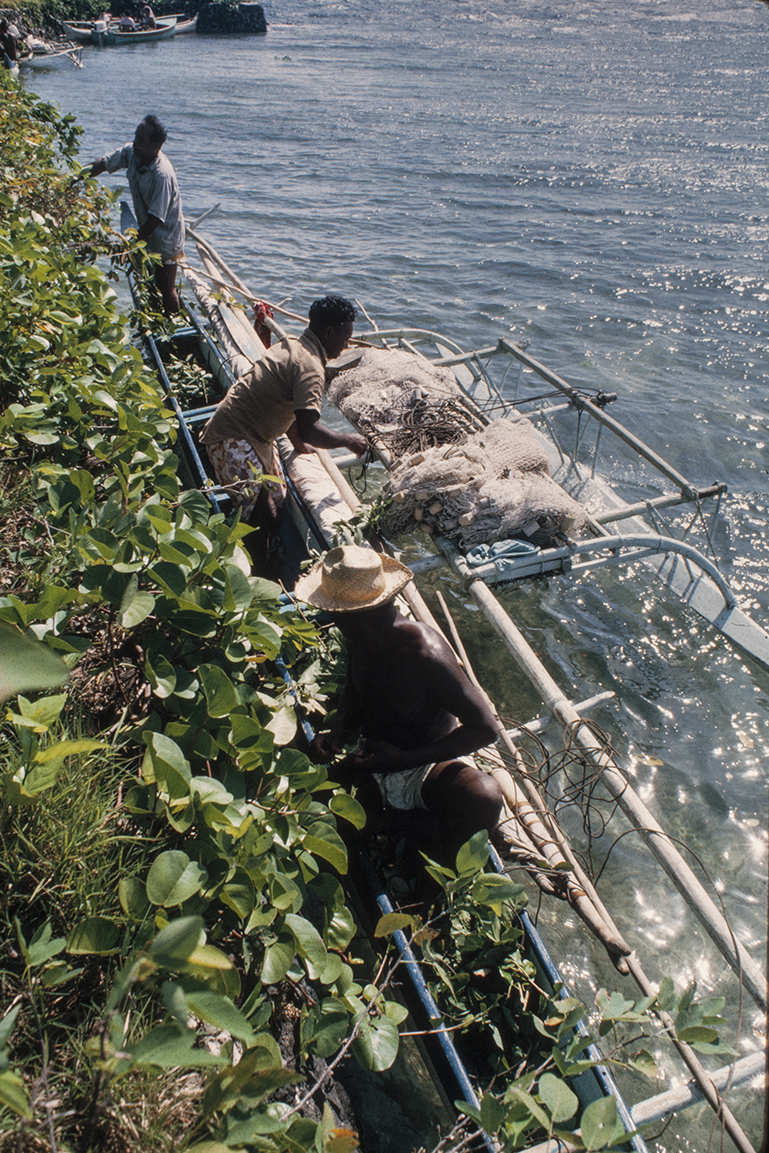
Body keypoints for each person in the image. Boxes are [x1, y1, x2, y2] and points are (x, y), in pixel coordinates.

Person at [294, 545, 503, 851]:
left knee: (483, 794)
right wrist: (339, 733)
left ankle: (396, 826)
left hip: (424, 765)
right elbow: (356, 687)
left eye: (336, 614)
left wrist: (403, 760)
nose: (332, 619)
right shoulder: (361, 638)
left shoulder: (425, 653)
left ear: (359, 617)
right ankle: (392, 826)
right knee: (309, 809)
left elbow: (485, 729)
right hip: (373, 758)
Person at [200, 296, 368, 570]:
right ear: (329, 332)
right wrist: (350, 440)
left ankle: (264, 555)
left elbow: (288, 407)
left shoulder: (293, 344)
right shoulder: (311, 368)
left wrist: (297, 443)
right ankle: (255, 571)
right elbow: (310, 428)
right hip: (232, 437)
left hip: (252, 434)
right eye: (345, 336)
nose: (347, 344)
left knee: (277, 499)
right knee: (262, 514)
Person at [81, 115, 184, 315]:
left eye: (141, 140)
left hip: (166, 236)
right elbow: (103, 164)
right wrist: (78, 176)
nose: (135, 142)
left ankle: (174, 327)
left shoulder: (162, 174)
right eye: (136, 136)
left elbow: (155, 219)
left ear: (156, 146)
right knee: (148, 278)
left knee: (166, 287)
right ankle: (156, 313)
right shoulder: (132, 152)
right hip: (147, 228)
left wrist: (130, 244)